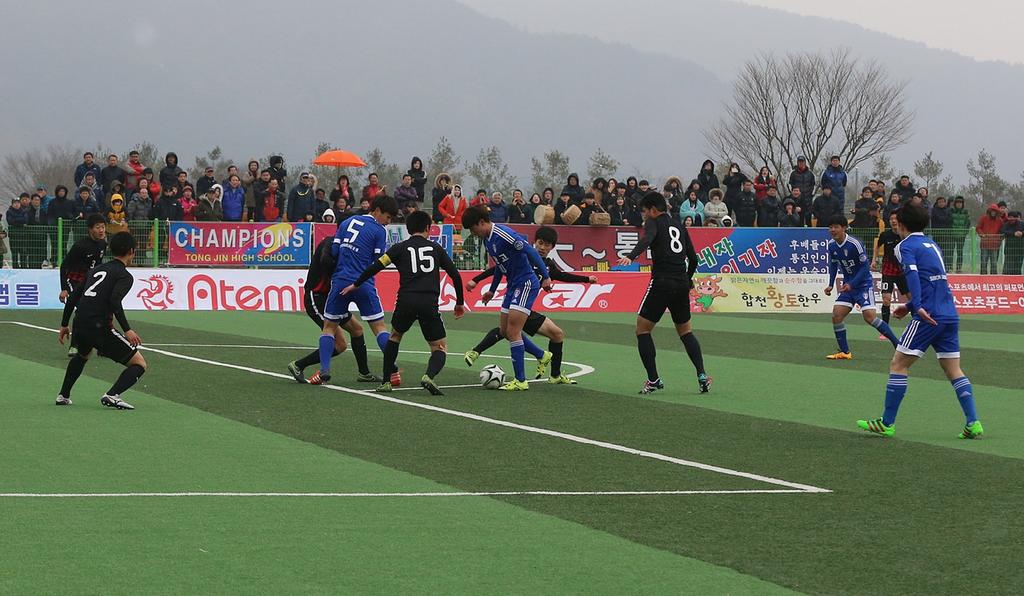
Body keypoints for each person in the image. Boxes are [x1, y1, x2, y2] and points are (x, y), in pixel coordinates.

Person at [856, 204, 983, 440]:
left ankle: (887, 423)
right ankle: (973, 421)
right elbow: (935, 280)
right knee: (953, 369)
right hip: (948, 313)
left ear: (901, 224)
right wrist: (909, 306)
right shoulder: (932, 244)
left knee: (898, 364)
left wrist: (917, 306)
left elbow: (913, 275)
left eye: (895, 220)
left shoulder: (905, 246)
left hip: (928, 314)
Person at [342, 211, 466, 394]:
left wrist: (356, 283)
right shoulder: (436, 249)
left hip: (406, 300)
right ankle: (429, 376)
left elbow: (376, 265)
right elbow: (455, 275)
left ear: (408, 229)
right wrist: (460, 302)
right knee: (438, 347)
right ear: (427, 228)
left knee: (394, 337)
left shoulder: (399, 248)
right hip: (428, 302)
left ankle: (386, 382)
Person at [465, 226, 596, 384]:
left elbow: (563, 276)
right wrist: (478, 280)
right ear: (534, 242)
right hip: (518, 299)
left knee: (550, 334)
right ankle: (538, 360)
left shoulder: (547, 266)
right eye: (540, 243)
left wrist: (586, 279)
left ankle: (552, 372)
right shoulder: (524, 256)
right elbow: (497, 268)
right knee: (508, 331)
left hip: (525, 305)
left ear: (552, 247)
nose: (543, 247)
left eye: (547, 245)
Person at [616, 192, 710, 394]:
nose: (644, 217)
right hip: (681, 283)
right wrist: (687, 279)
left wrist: (631, 256)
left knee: (643, 329)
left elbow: (647, 239)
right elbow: (693, 259)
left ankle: (653, 380)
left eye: (644, 212)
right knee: (685, 332)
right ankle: (702, 375)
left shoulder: (654, 222)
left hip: (662, 282)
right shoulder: (679, 225)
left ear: (653, 210)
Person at [309, 196, 400, 386]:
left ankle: (325, 370)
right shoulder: (379, 231)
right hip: (363, 283)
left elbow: (334, 252)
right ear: (377, 210)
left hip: (340, 282)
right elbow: (376, 263)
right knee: (379, 328)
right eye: (388, 217)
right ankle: (393, 369)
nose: (388, 221)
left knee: (329, 327)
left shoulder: (347, 222)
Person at [462, 205, 553, 391]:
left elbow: (531, 252)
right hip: (512, 286)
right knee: (505, 331)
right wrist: (492, 290)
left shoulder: (503, 233)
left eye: (473, 229)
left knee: (513, 331)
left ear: (481, 222)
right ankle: (541, 355)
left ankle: (520, 380)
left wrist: (545, 276)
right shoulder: (488, 240)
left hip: (526, 283)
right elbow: (500, 267)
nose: (474, 233)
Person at [286, 218, 384, 386]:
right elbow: (326, 261)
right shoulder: (329, 243)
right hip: (317, 297)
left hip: (335, 294)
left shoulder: (345, 247)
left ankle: (364, 373)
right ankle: (298, 365)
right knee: (340, 344)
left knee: (357, 330)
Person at [56, 232, 146, 410]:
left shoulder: (95, 270)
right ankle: (112, 395)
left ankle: (63, 395)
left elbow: (73, 297)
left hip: (80, 322)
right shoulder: (124, 276)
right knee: (139, 363)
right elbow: (114, 301)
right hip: (99, 326)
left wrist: (65, 324)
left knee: (82, 355)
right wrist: (127, 329)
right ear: (131, 251)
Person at [824, 215, 899, 360]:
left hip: (863, 285)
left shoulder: (855, 244)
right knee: (837, 315)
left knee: (869, 317)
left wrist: (852, 284)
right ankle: (845, 352)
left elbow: (865, 268)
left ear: (844, 228)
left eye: (836, 227)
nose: (832, 230)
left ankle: (899, 345)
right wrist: (830, 284)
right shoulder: (831, 245)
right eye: (830, 227)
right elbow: (833, 264)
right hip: (848, 287)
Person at [873, 212, 911, 331]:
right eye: (891, 219)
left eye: (895, 218)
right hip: (888, 271)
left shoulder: (905, 235)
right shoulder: (885, 235)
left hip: (902, 272)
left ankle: (918, 324)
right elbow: (877, 247)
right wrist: (874, 260)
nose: (893, 221)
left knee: (912, 298)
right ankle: (885, 329)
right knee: (886, 299)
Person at [975, 204, 1004, 275]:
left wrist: (999, 239)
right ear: (989, 211)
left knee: (994, 263)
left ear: (997, 212)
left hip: (994, 245)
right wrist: (982, 234)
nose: (993, 212)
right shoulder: (983, 218)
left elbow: (1002, 231)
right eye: (992, 211)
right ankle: (983, 277)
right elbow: (978, 228)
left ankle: (993, 278)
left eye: (995, 211)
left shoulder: (1000, 220)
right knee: (983, 262)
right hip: (985, 244)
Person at [789, 156, 816, 225]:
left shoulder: (810, 174)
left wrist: (810, 193)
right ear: (797, 163)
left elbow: (813, 185)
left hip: (808, 199)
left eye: (802, 162)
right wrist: (794, 195)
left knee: (808, 218)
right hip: (797, 200)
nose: (801, 163)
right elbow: (790, 185)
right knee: (797, 219)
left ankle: (809, 234)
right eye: (799, 162)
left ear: (805, 162)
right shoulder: (793, 173)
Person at [949, 196, 971, 273]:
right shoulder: (951, 211)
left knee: (960, 252)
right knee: (950, 251)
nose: (959, 204)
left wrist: (965, 232)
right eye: (957, 203)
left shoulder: (965, 212)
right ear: (955, 204)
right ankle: (949, 267)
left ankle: (958, 268)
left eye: (960, 203)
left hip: (961, 235)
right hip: (952, 235)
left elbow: (968, 223)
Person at [1001, 211, 1024, 275]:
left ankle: (1017, 282)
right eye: (1010, 218)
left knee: (1017, 267)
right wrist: (1014, 234)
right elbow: (1003, 231)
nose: (1011, 220)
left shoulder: (1022, 224)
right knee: (1008, 267)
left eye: (1013, 218)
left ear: (1016, 218)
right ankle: (1006, 282)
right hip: (1009, 250)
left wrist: (1022, 233)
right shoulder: (1006, 224)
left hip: (1020, 249)